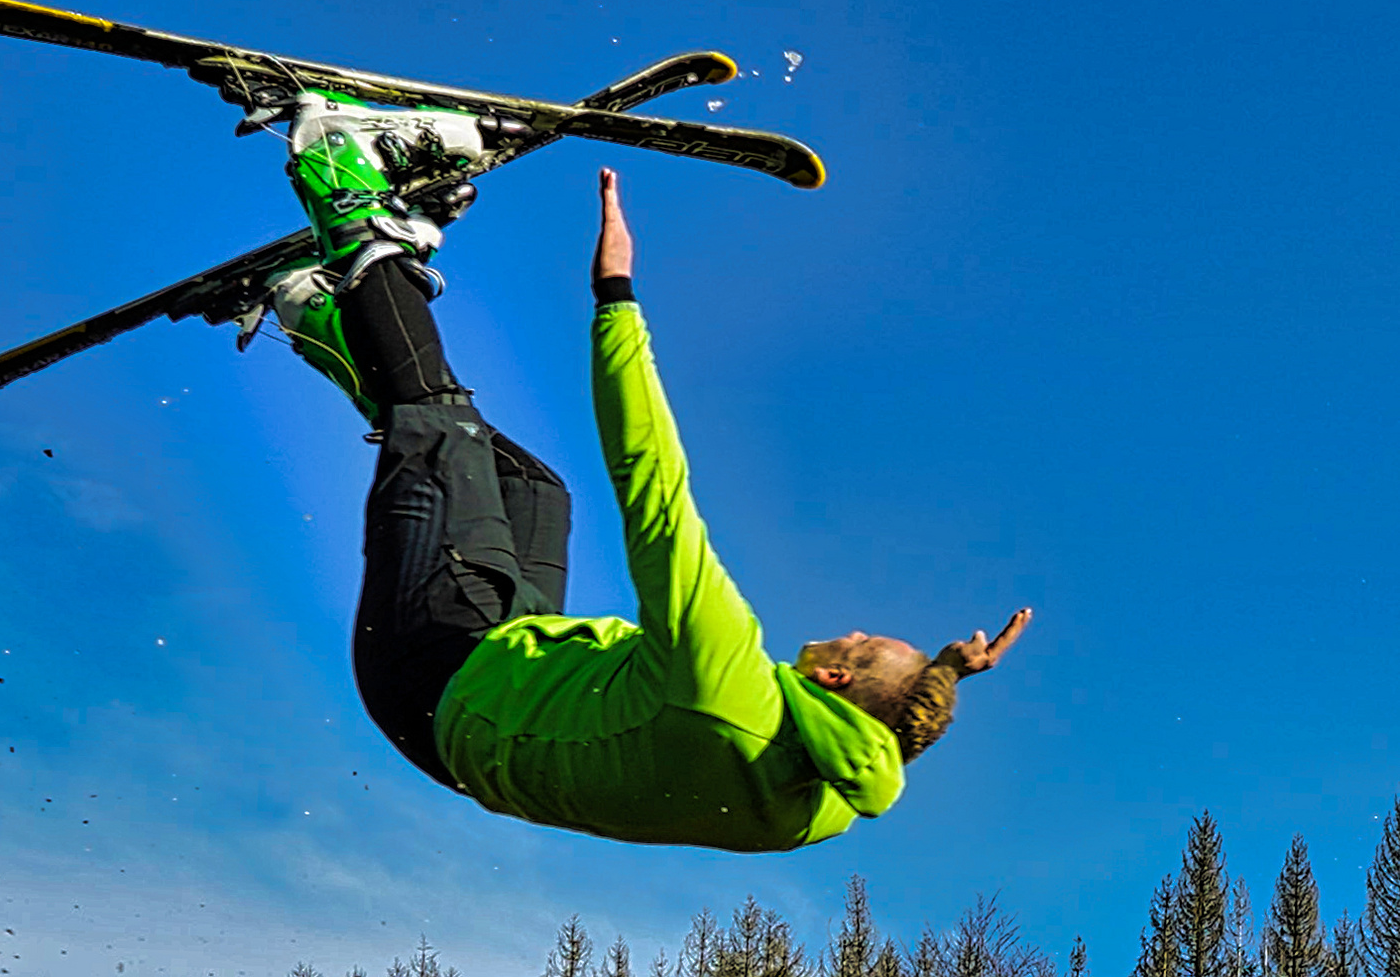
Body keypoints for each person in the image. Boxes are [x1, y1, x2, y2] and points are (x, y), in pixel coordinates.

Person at [250, 89, 1032, 852]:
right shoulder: (814, 812)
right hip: (493, 702)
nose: (854, 632)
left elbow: (653, 483)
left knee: (442, 421)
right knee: (531, 492)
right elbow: (891, 729)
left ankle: (343, 185)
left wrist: (616, 297)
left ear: (835, 685)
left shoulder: (723, 676)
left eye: (861, 648)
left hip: (438, 671)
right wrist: (945, 676)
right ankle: (319, 318)